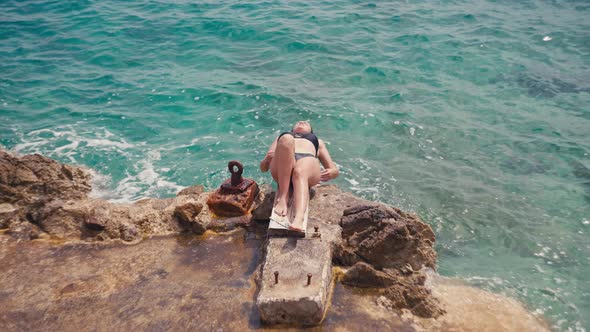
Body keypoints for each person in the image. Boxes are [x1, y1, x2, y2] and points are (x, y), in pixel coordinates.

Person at [260, 120, 339, 233]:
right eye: (298, 122)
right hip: (283, 165)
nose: (302, 122)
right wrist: (267, 160)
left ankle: (299, 218)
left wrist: (332, 172)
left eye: (306, 123)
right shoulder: (281, 138)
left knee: (300, 170)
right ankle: (283, 197)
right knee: (286, 139)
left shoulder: (317, 141)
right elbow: (263, 168)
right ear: (293, 128)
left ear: (311, 131)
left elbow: (334, 170)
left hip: (306, 164)